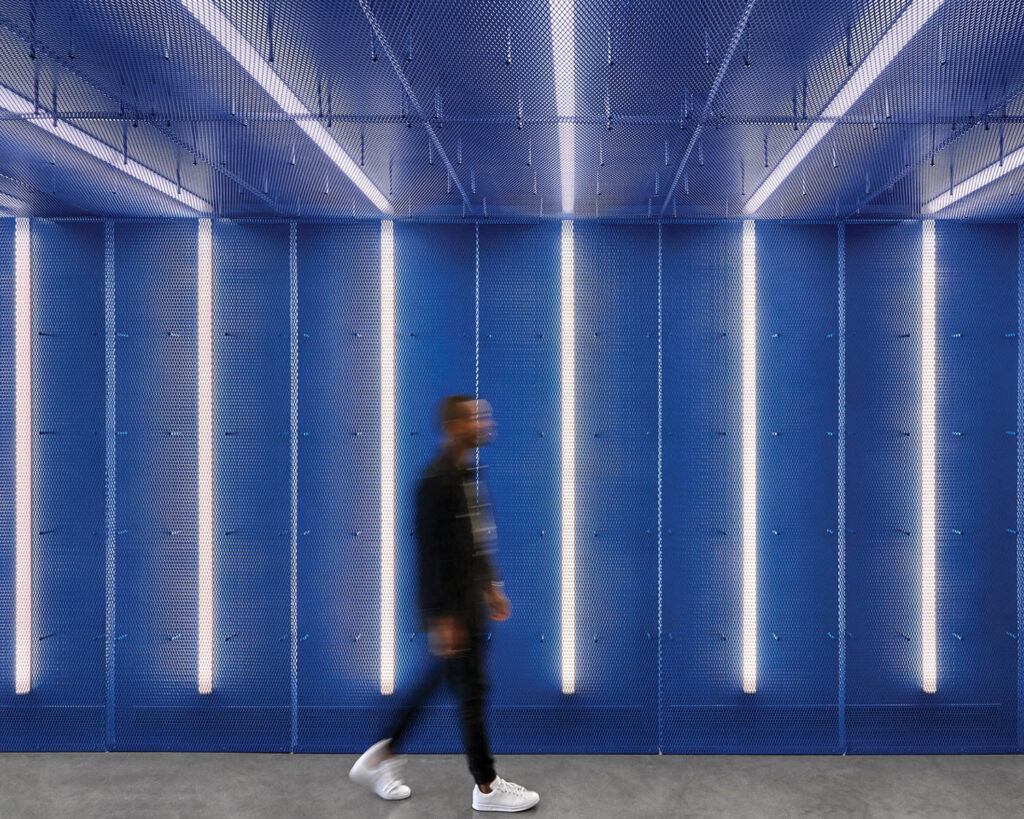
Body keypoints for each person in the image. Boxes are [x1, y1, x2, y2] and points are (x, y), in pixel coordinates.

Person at [349, 395, 540, 812]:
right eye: (476, 417)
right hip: (453, 609)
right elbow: (429, 554)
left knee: (449, 685)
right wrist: (441, 617)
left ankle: (380, 758)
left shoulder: (466, 474)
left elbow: (475, 538)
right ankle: (486, 787)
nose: (485, 422)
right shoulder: (434, 481)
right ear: (456, 426)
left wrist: (491, 586)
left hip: (468, 602)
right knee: (470, 693)